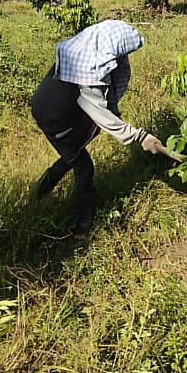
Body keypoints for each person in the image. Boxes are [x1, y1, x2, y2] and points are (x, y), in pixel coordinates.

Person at [31, 19, 167, 237]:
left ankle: (38, 194)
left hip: (60, 113)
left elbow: (109, 92)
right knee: (83, 167)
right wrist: (140, 137)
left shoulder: (88, 52)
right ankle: (82, 228)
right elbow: (99, 113)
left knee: (71, 156)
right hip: (56, 118)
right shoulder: (88, 70)